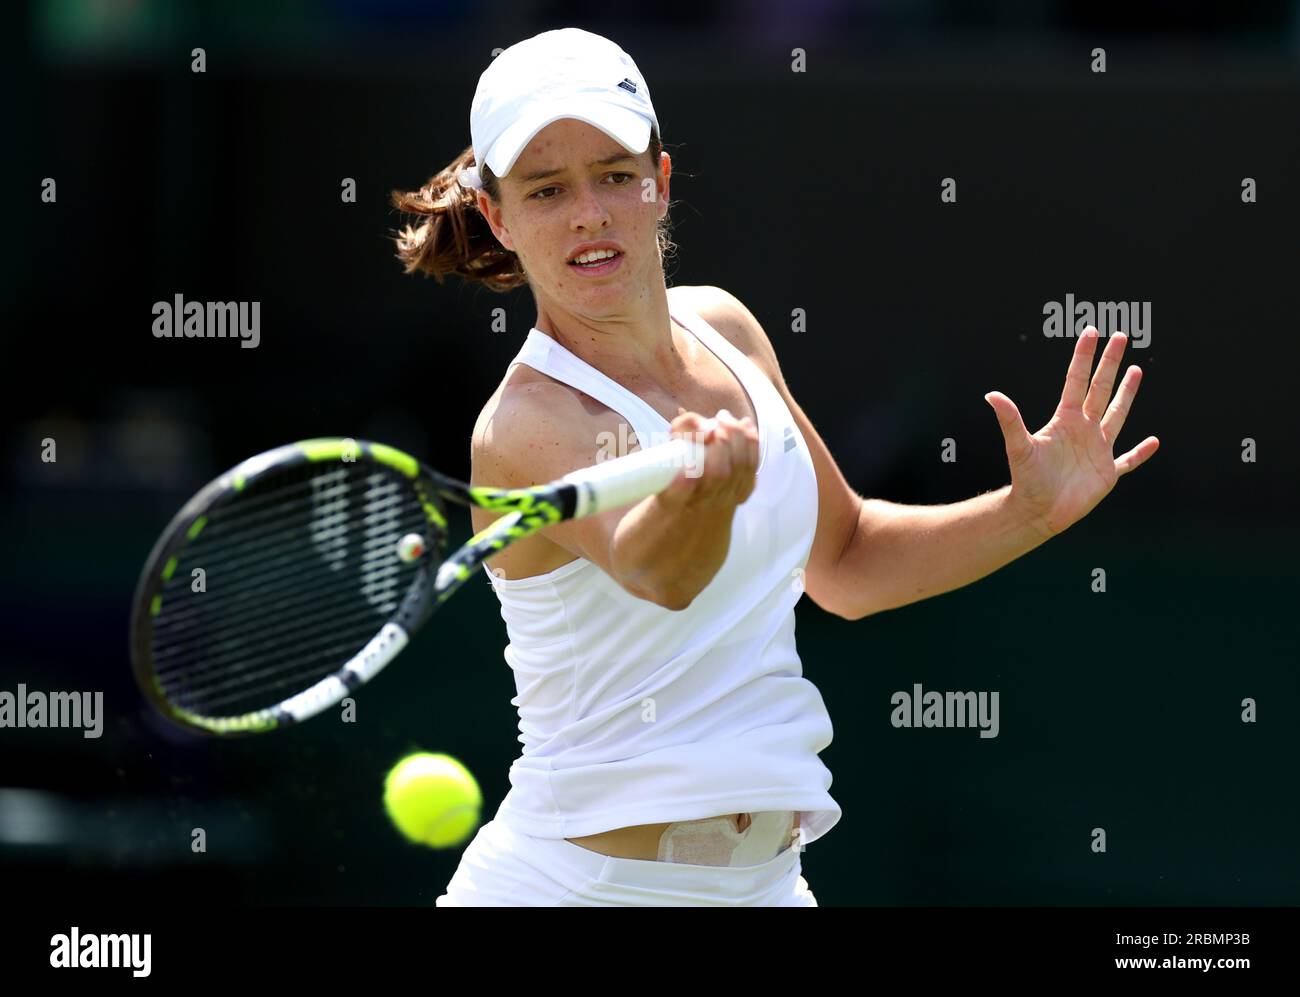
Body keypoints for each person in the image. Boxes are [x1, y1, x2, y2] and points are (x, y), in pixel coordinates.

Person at [389, 28, 1158, 907]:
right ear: (499, 217)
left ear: (661, 183)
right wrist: (701, 499)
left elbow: (847, 560)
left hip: (767, 887)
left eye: (613, 174)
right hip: (577, 889)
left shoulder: (728, 328)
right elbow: (658, 571)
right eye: (547, 189)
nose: (589, 214)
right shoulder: (524, 426)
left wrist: (1030, 511)